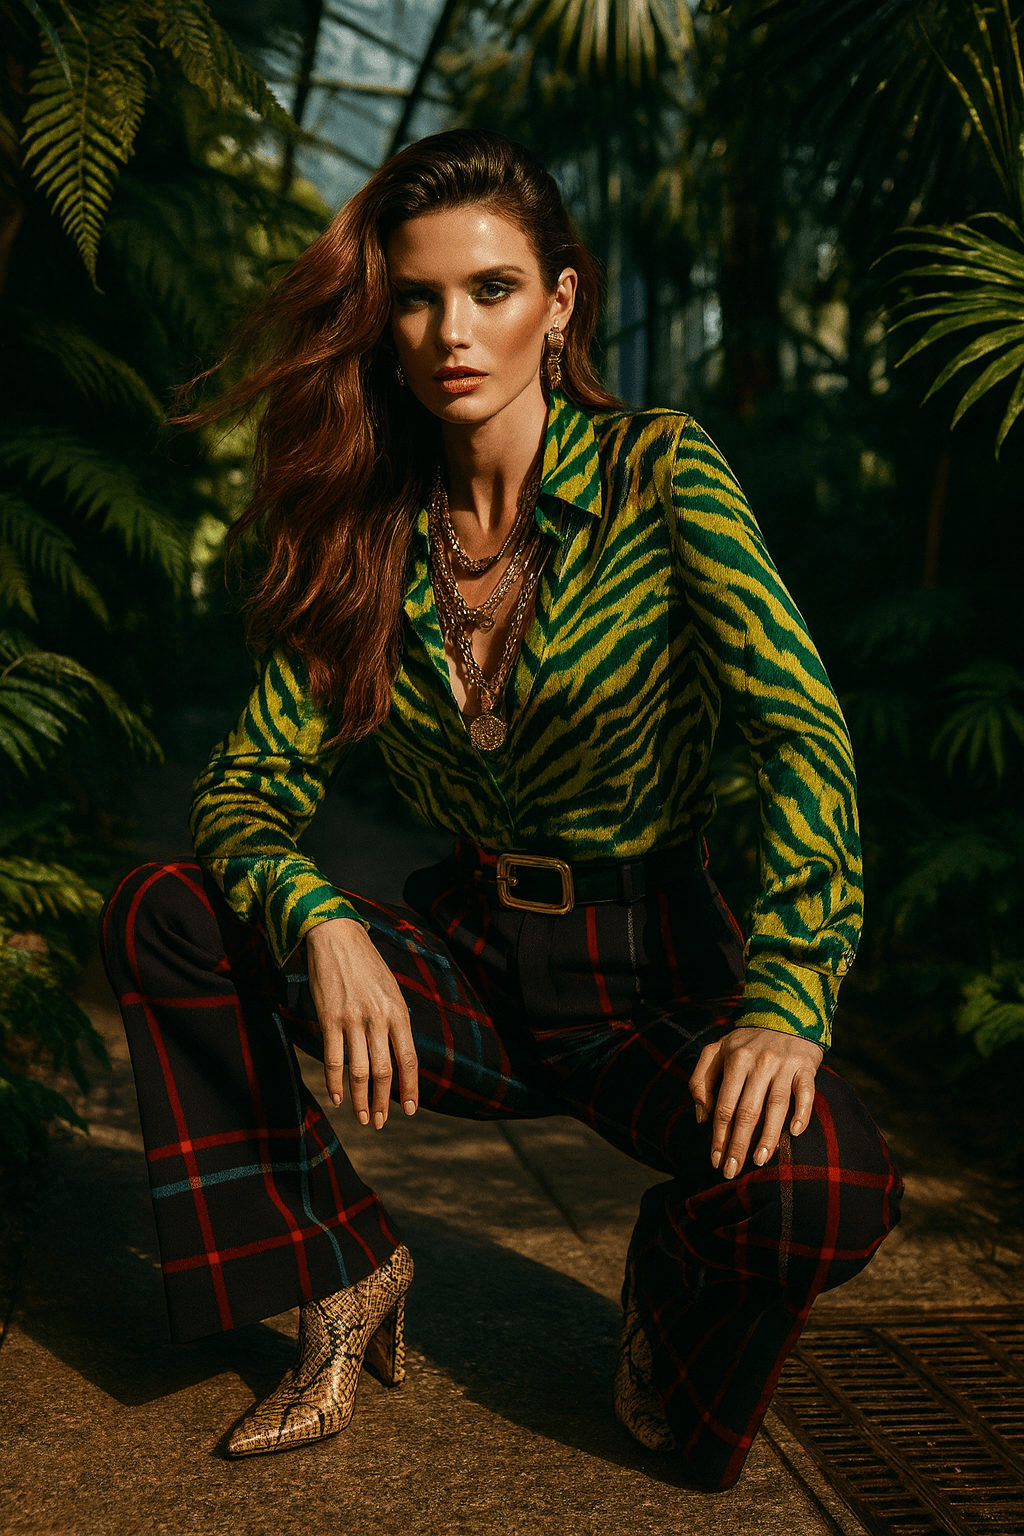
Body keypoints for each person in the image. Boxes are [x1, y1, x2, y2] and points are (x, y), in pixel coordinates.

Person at [101, 128, 902, 1492]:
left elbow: (801, 734)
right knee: (169, 913)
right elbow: (246, 794)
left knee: (828, 1187)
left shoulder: (662, 474)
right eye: (417, 297)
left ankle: (676, 1267)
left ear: (562, 301)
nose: (451, 332)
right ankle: (340, 1262)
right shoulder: (367, 526)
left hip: (654, 970)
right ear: (387, 316)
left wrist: (786, 996)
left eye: (491, 289)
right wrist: (319, 922)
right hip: (467, 967)